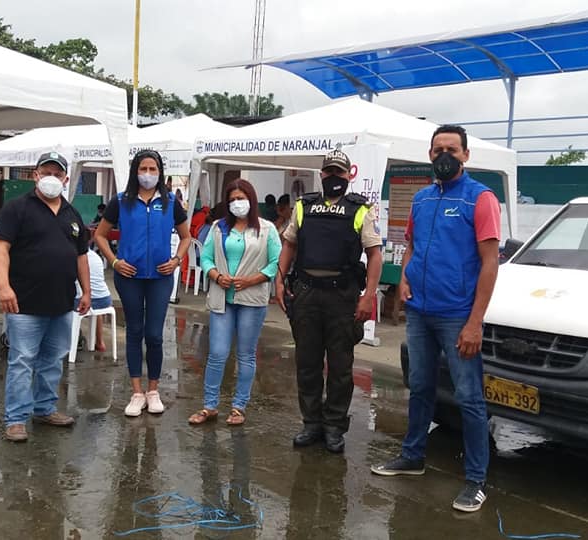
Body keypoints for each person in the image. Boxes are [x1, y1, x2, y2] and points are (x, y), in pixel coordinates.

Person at [369, 125, 500, 514]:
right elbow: (411, 245)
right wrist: (404, 279)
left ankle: (475, 480)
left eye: (452, 149)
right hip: (420, 312)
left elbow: (490, 262)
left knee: (469, 397)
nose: (445, 155)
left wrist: (475, 322)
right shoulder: (423, 199)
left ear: (466, 155)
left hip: (457, 316)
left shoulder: (481, 199)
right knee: (421, 387)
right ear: (429, 154)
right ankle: (413, 456)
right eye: (438, 149)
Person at [274, 149, 382, 454]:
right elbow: (289, 245)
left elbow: (375, 255)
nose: (334, 177)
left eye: (339, 172)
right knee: (307, 362)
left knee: (340, 366)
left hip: (342, 296)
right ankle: (311, 423)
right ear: (321, 174)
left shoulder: (360, 209)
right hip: (306, 293)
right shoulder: (304, 206)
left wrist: (368, 296)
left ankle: (334, 426)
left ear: (348, 176)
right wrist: (279, 280)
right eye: (329, 172)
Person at [0, 151, 91, 442]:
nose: (51, 178)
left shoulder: (72, 214)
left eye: (57, 174)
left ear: (66, 179)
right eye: (46, 172)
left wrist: (86, 291)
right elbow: (0, 248)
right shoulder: (17, 208)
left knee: (53, 359)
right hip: (24, 301)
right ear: (35, 175)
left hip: (61, 302)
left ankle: (45, 408)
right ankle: (15, 419)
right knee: (22, 360)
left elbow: (81, 256)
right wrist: (3, 286)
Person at [93, 149, 192, 417]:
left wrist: (176, 260)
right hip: (129, 277)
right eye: (143, 169)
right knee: (135, 331)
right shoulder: (121, 201)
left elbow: (186, 236)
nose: (148, 174)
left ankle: (153, 391)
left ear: (160, 172)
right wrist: (114, 261)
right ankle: (137, 393)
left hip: (160, 277)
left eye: (153, 169)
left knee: (155, 335)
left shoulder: (171, 202)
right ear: (135, 171)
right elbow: (100, 235)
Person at [188, 179, 281, 426]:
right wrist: (217, 276)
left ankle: (239, 407)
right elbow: (206, 258)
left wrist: (251, 280)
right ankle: (209, 406)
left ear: (251, 199)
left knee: (245, 354)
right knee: (217, 353)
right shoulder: (219, 227)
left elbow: (276, 263)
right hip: (222, 298)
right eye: (232, 200)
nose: (237, 203)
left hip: (252, 299)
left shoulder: (267, 229)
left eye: (241, 198)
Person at [75, 245, 113, 351]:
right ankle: (100, 342)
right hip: (104, 299)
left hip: (83, 300)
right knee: (97, 310)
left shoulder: (74, 256)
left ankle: (74, 338)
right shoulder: (96, 257)